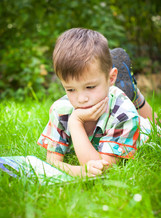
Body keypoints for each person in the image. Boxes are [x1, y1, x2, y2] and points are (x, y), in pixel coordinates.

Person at [37, 28, 154, 178]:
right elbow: (52, 161)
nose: (81, 99)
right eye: (70, 89)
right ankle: (119, 88)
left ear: (111, 78)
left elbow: (101, 170)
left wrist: (76, 122)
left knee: (156, 126)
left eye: (90, 87)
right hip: (107, 92)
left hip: (142, 129)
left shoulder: (124, 115)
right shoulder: (61, 109)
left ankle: (133, 94)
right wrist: (78, 171)